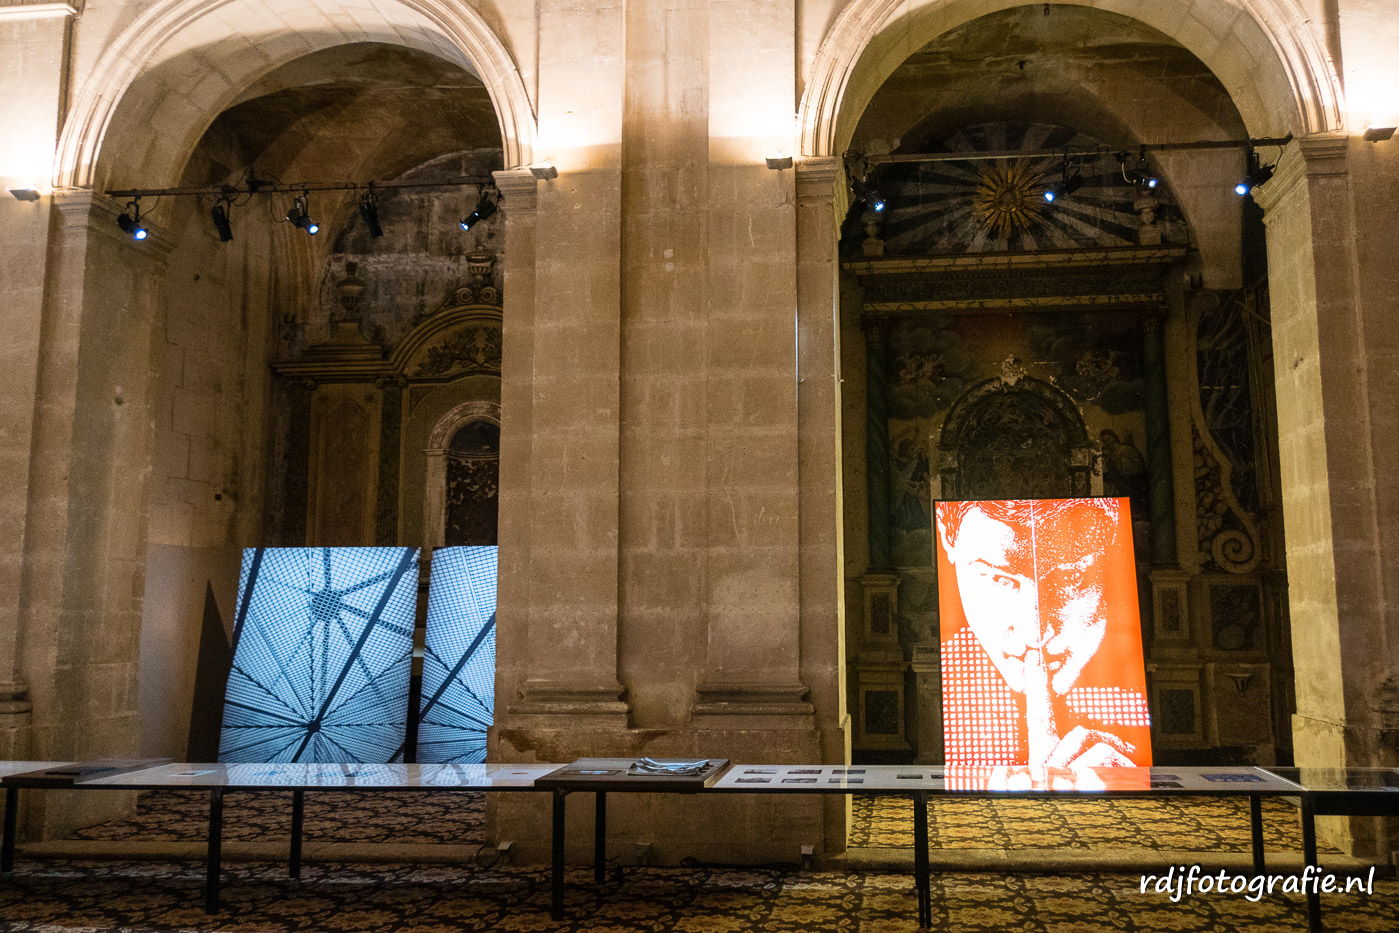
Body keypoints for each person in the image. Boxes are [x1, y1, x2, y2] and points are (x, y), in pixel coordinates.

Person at [935, 497, 1151, 772]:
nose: (1035, 633)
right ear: (947, 537)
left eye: (1069, 578)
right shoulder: (950, 690)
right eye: (999, 579)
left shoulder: (1133, 693)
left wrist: (1131, 780)